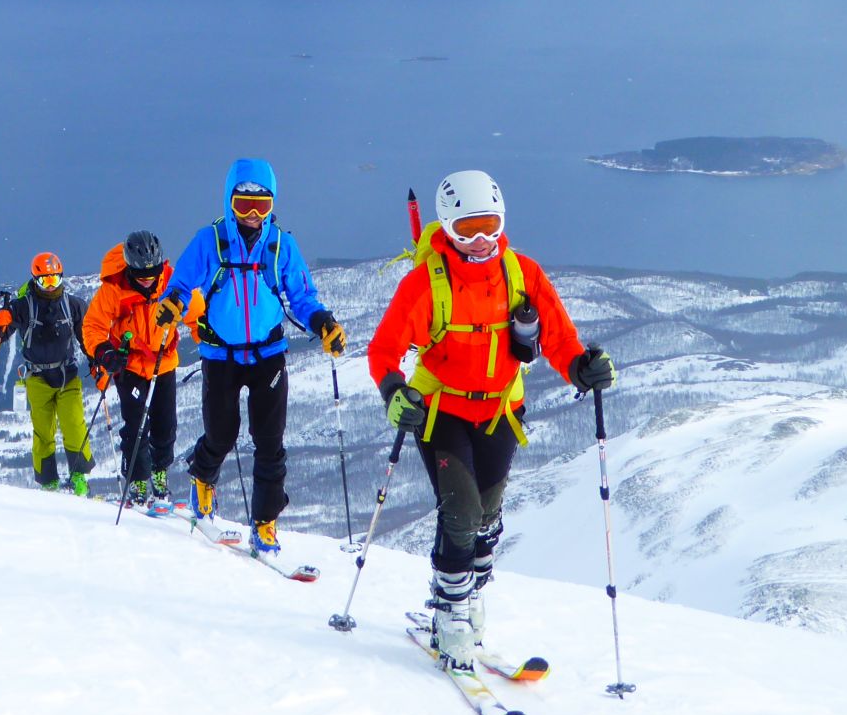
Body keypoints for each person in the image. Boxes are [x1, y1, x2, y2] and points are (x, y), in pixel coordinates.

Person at [368, 170, 616, 671]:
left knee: (487, 517)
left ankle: (463, 591)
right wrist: (395, 390)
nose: (481, 240)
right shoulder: (427, 283)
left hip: (501, 408)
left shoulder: (521, 274)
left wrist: (579, 367)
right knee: (459, 512)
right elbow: (384, 350)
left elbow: (559, 337)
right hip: (441, 410)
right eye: (468, 228)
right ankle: (454, 614)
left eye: (490, 225)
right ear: (448, 228)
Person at [152, 159, 345, 556]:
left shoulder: (281, 246)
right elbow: (182, 282)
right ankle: (202, 483)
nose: (253, 215)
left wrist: (322, 322)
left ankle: (265, 522)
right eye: (243, 205)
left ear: (273, 204)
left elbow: (302, 297)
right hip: (221, 354)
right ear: (229, 201)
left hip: (268, 355)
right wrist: (172, 302)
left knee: (269, 441)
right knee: (221, 434)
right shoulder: (211, 241)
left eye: (262, 205)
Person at [83, 230, 183, 509]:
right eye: (141, 274)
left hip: (163, 362)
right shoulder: (114, 289)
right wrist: (103, 351)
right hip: (129, 365)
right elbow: (93, 326)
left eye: (153, 271)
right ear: (129, 267)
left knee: (166, 425)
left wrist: (210, 339)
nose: (148, 279)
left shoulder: (172, 280)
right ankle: (137, 480)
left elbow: (197, 310)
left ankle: (160, 474)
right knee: (137, 425)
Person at [0, 252, 96, 495]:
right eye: (45, 281)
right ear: (35, 280)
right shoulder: (23, 307)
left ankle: (79, 477)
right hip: (37, 378)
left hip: (67, 374)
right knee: (43, 431)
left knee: (74, 425)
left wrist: (97, 361)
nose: (50, 286)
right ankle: (49, 482)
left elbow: (87, 337)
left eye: (55, 280)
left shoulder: (74, 305)